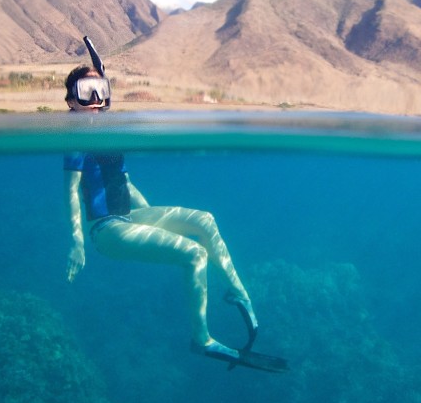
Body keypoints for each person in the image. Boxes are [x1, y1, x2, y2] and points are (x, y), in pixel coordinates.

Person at [62, 52, 284, 371]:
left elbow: (124, 183)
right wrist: (77, 241)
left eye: (101, 91)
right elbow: (71, 191)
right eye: (86, 93)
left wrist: (154, 220)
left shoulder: (107, 134)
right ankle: (202, 339)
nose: (96, 100)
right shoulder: (74, 137)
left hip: (128, 218)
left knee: (204, 220)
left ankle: (238, 292)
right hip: (106, 231)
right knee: (195, 254)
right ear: (71, 102)